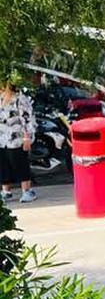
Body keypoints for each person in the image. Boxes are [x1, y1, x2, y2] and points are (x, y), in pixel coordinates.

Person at [1, 75, 37, 204]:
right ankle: (6, 191)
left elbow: (27, 119)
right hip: (2, 138)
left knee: (19, 163)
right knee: (3, 164)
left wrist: (27, 138)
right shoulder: (0, 99)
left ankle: (26, 191)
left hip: (17, 138)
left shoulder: (19, 99)